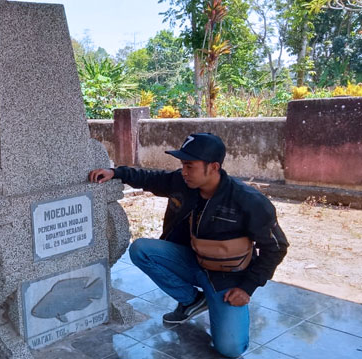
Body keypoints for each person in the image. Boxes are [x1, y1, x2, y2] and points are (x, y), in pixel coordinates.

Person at [88, 132, 288, 358]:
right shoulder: (182, 183)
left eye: (190, 166)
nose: (184, 171)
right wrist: (116, 172)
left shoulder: (248, 201)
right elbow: (149, 177)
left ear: (213, 167)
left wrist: (247, 288)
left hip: (226, 278)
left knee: (230, 349)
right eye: (182, 164)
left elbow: (276, 247)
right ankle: (192, 300)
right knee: (141, 250)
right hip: (191, 261)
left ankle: (215, 302)